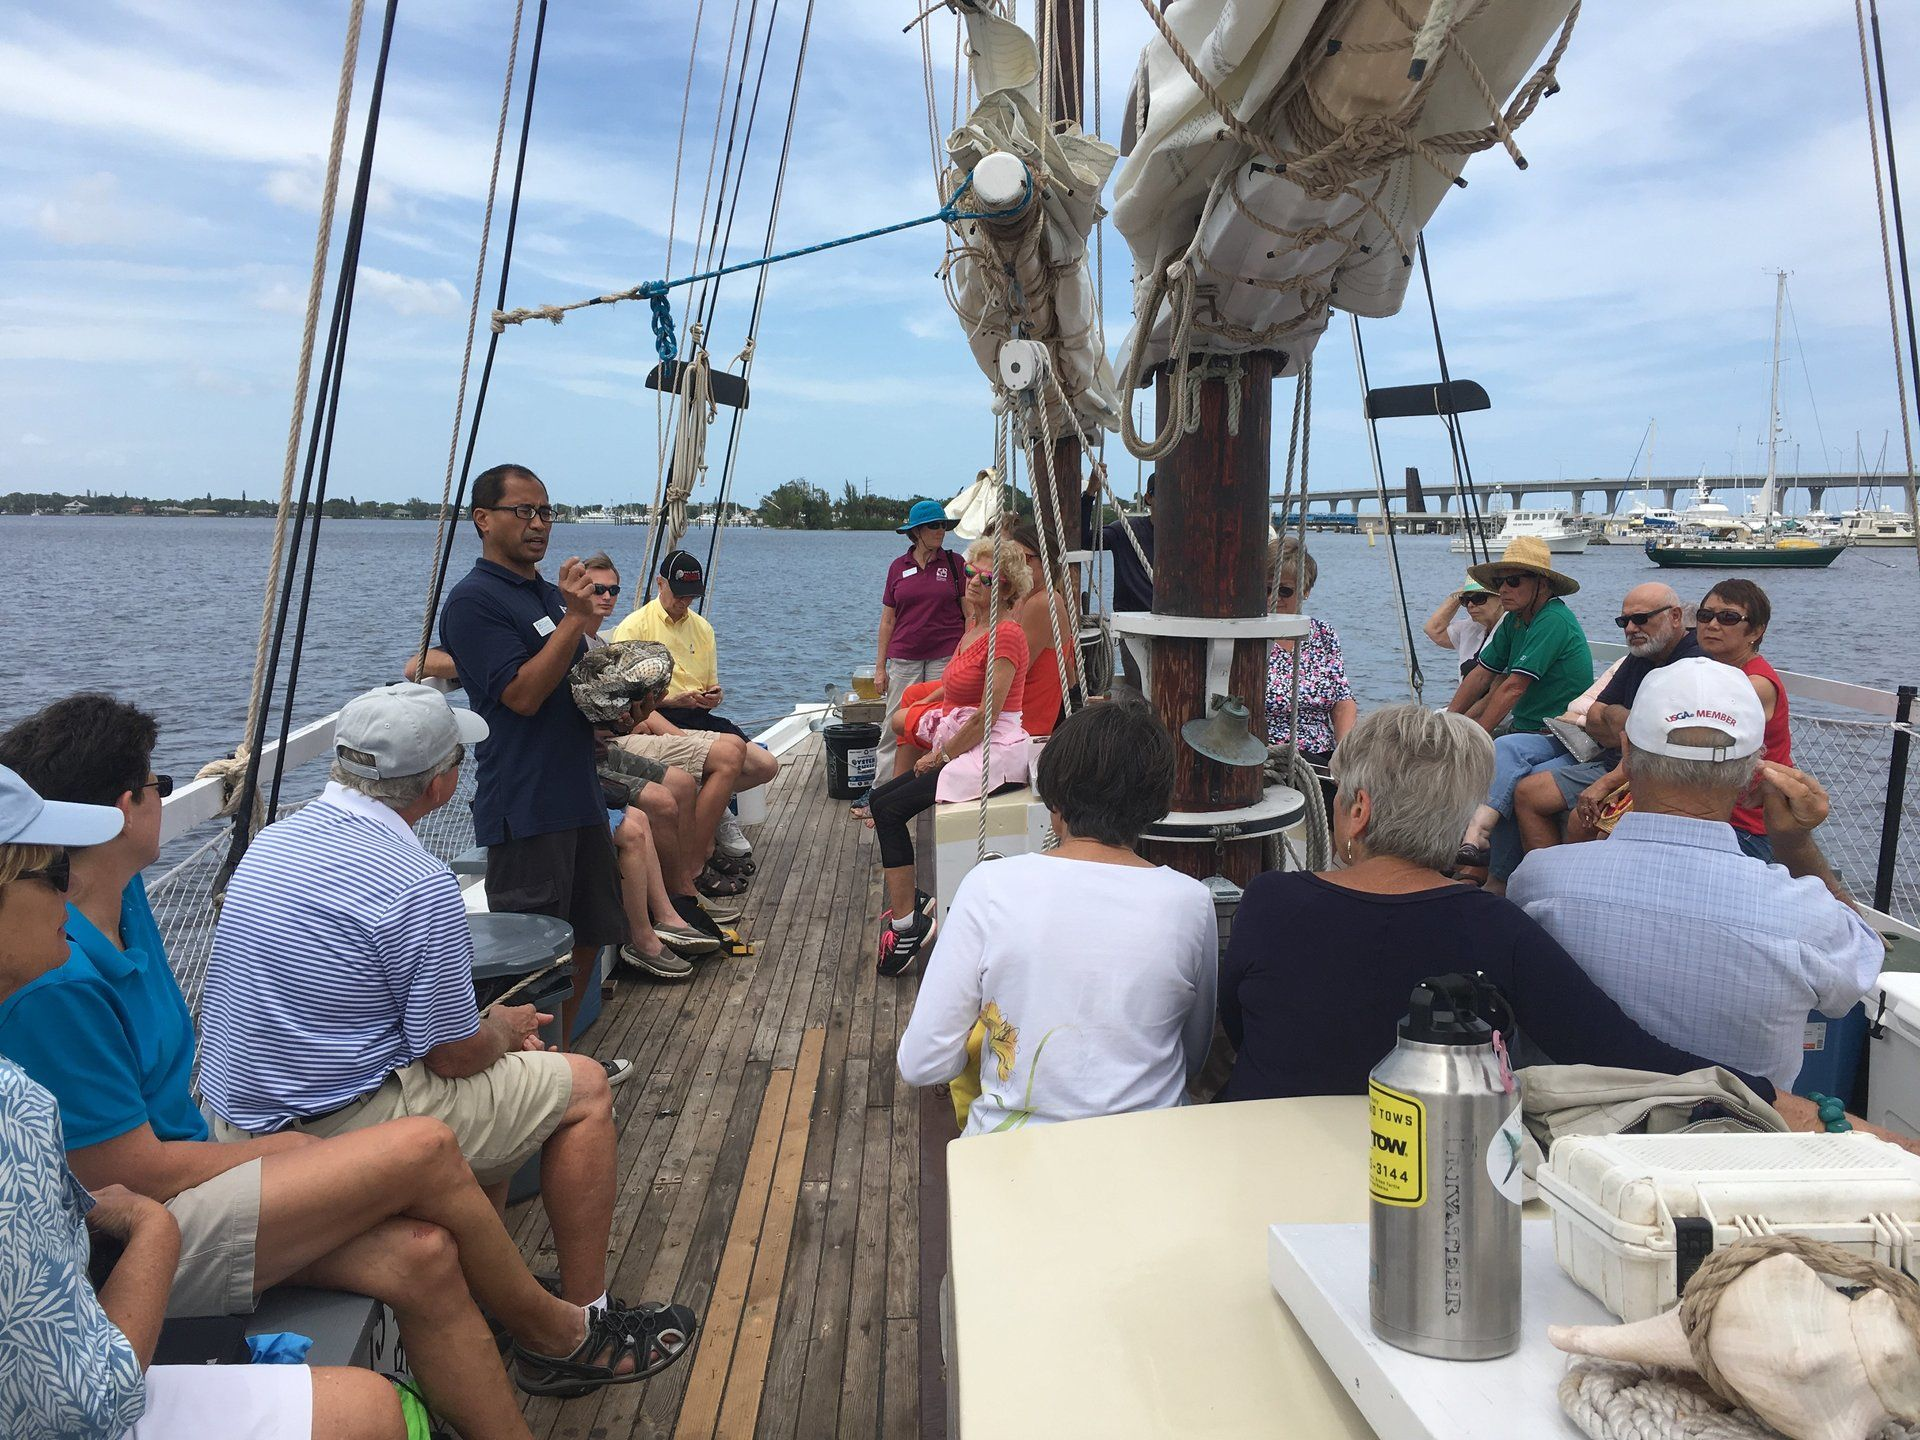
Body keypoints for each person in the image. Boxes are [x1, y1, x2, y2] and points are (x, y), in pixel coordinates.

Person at [0, 697, 696, 1424]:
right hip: (161, 1208)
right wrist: (292, 1148)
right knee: (481, 1123)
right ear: (441, 785)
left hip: (223, 1129)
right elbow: (454, 1056)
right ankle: (561, 1330)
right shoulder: (57, 980)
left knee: (422, 1256)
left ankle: (519, 1371)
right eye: (159, 785)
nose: (165, 797)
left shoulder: (221, 864)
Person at [196, 681, 657, 1341]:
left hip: (239, 1118)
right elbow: (452, 1054)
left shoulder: (270, 845)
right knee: (581, 1087)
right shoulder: (415, 883)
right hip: (328, 1128)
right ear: (440, 785)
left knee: (495, 1089)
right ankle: (586, 1321)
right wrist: (504, 1028)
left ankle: (479, 1299)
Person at [0, 765, 416, 1440]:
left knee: (416, 1251)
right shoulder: (12, 1105)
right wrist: (150, 1230)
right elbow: (85, 1402)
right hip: (99, 1346)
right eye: (51, 873)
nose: (67, 893)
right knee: (368, 1408)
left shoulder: (116, 920)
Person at [1215, 706, 1780, 1103]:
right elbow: (1622, 1054)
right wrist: (1782, 1102)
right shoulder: (1496, 928)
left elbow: (1238, 1028)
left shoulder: (1272, 901)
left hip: (1267, 1140)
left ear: (1357, 810)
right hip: (1435, 1164)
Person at [1508, 658, 1885, 1091]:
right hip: (1731, 1143)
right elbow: (1857, 972)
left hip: (1569, 1143)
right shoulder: (1806, 918)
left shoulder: (1539, 882)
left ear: (1627, 754)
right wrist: (1794, 843)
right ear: (1753, 771)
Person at [897, 703, 1217, 1133]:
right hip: (1147, 1159)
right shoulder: (1192, 903)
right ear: (1156, 804)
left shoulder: (990, 887)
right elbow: (1192, 1054)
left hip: (1014, 1161)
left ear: (1054, 796)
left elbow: (922, 1062)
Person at [438, 463, 631, 1048]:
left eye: (545, 512)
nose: (538, 524)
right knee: (532, 959)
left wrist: (615, 713)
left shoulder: (546, 593)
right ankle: (532, 1078)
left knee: (590, 933)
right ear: (483, 519)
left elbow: (572, 685)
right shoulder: (474, 603)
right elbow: (520, 695)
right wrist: (575, 620)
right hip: (524, 803)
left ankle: (561, 1063)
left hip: (577, 790)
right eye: (523, 511)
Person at [868, 539, 1032, 978]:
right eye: (972, 573)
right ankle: (912, 906)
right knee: (882, 801)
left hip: (990, 748)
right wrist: (931, 701)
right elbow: (955, 686)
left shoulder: (1007, 635)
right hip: (966, 736)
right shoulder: (974, 626)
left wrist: (938, 757)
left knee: (888, 808)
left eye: (987, 577)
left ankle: (906, 924)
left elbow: (987, 716)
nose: (974, 581)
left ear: (1008, 589)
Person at [1510, 582, 1699, 856]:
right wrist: (1629, 721)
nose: (1631, 628)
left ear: (1675, 617)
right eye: (1624, 621)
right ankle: (1541, 877)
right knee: (1527, 793)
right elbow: (1597, 716)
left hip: (1652, 774)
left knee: (1583, 820)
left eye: (1641, 619)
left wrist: (1618, 721)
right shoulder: (1641, 654)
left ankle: (1573, 888)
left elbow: (1663, 740)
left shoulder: (1693, 662)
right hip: (1614, 759)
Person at [1446, 537, 1593, 886]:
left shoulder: (1553, 620)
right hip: (1528, 730)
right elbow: (1482, 674)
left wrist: (1476, 734)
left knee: (1503, 755)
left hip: (1561, 734)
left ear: (1541, 584)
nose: (1504, 590)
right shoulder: (1515, 622)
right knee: (1503, 767)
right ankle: (1487, 873)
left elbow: (1513, 687)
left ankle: (1478, 846)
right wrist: (1450, 721)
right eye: (1499, 582)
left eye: (1514, 581)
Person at [869, 500, 967, 794]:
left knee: (941, 720)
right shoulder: (898, 567)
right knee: (893, 725)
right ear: (917, 532)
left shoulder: (955, 564)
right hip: (904, 658)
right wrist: (879, 667)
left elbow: (970, 613)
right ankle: (882, 787)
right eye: (934, 526)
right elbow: (887, 621)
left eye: (943, 526)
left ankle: (933, 785)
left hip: (945, 655)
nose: (941, 532)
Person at [1690, 579, 1790, 862]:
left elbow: (1696, 746)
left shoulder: (1754, 684)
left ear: (1757, 631)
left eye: (1729, 617)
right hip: (1712, 809)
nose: (1712, 625)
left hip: (1746, 825)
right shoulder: (1713, 671)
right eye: (1705, 615)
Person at [1262, 536, 1356, 803]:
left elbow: (1342, 700)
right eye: (1267, 589)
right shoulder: (1248, 638)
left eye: (1284, 591)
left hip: (1321, 758)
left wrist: (1344, 752)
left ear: (1305, 590)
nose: (1273, 599)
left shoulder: (1323, 634)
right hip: (1270, 758)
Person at [1082, 471, 1155, 693]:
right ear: (1148, 498)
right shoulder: (1126, 530)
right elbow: (1085, 540)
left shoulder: (1190, 535)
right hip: (1134, 629)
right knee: (1138, 694)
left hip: (1176, 629)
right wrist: (1090, 494)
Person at [1005, 520, 1080, 736]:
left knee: (911, 714)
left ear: (1046, 561)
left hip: (1024, 721)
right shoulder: (1023, 599)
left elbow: (1013, 671)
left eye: (1024, 559)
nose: (1014, 567)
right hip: (1015, 712)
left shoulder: (1043, 603)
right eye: (1011, 559)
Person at [1422, 577, 1499, 678]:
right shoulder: (1470, 628)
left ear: (1500, 599)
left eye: (1479, 598)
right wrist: (1465, 589)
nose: (1470, 605)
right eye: (1466, 601)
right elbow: (1433, 629)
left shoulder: (1514, 629)